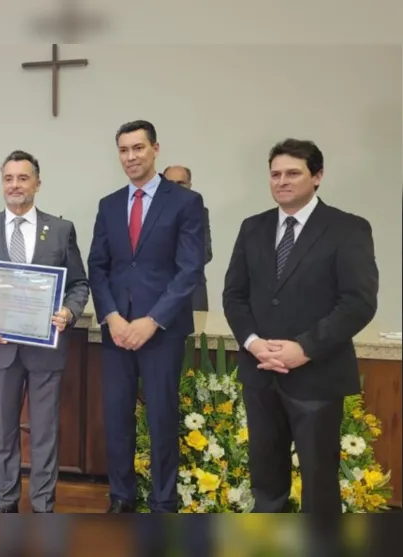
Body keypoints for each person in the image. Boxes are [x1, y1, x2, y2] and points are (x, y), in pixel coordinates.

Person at [222, 138, 378, 513]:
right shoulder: (252, 227)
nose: (282, 181)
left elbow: (357, 303)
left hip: (317, 376)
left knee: (319, 483)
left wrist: (304, 349)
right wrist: (254, 342)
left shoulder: (347, 228)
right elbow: (234, 295)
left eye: (293, 173)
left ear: (318, 176)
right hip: (261, 373)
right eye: (275, 174)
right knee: (266, 482)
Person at [87, 120, 205, 513]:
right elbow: (97, 266)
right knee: (117, 418)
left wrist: (152, 320)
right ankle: (121, 496)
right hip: (117, 330)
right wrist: (112, 316)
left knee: (161, 418)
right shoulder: (108, 204)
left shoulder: (185, 203)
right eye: (123, 150)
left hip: (162, 331)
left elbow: (189, 270)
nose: (130, 157)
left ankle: (163, 500)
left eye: (138, 148)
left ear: (155, 148)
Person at [0, 150, 89, 513]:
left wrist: (68, 311)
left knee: (45, 432)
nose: (15, 185)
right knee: (3, 429)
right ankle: (4, 501)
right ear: (2, 183)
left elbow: (79, 284)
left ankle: (43, 505)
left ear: (37, 183)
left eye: (22, 178)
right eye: (8, 178)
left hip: (45, 349)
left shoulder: (61, 229)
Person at [163, 165, 212, 311]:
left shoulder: (200, 212)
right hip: (157, 291)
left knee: (196, 334)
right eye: (170, 183)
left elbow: (206, 252)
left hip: (192, 292)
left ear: (190, 185)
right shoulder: (147, 211)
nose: (176, 188)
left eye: (181, 183)